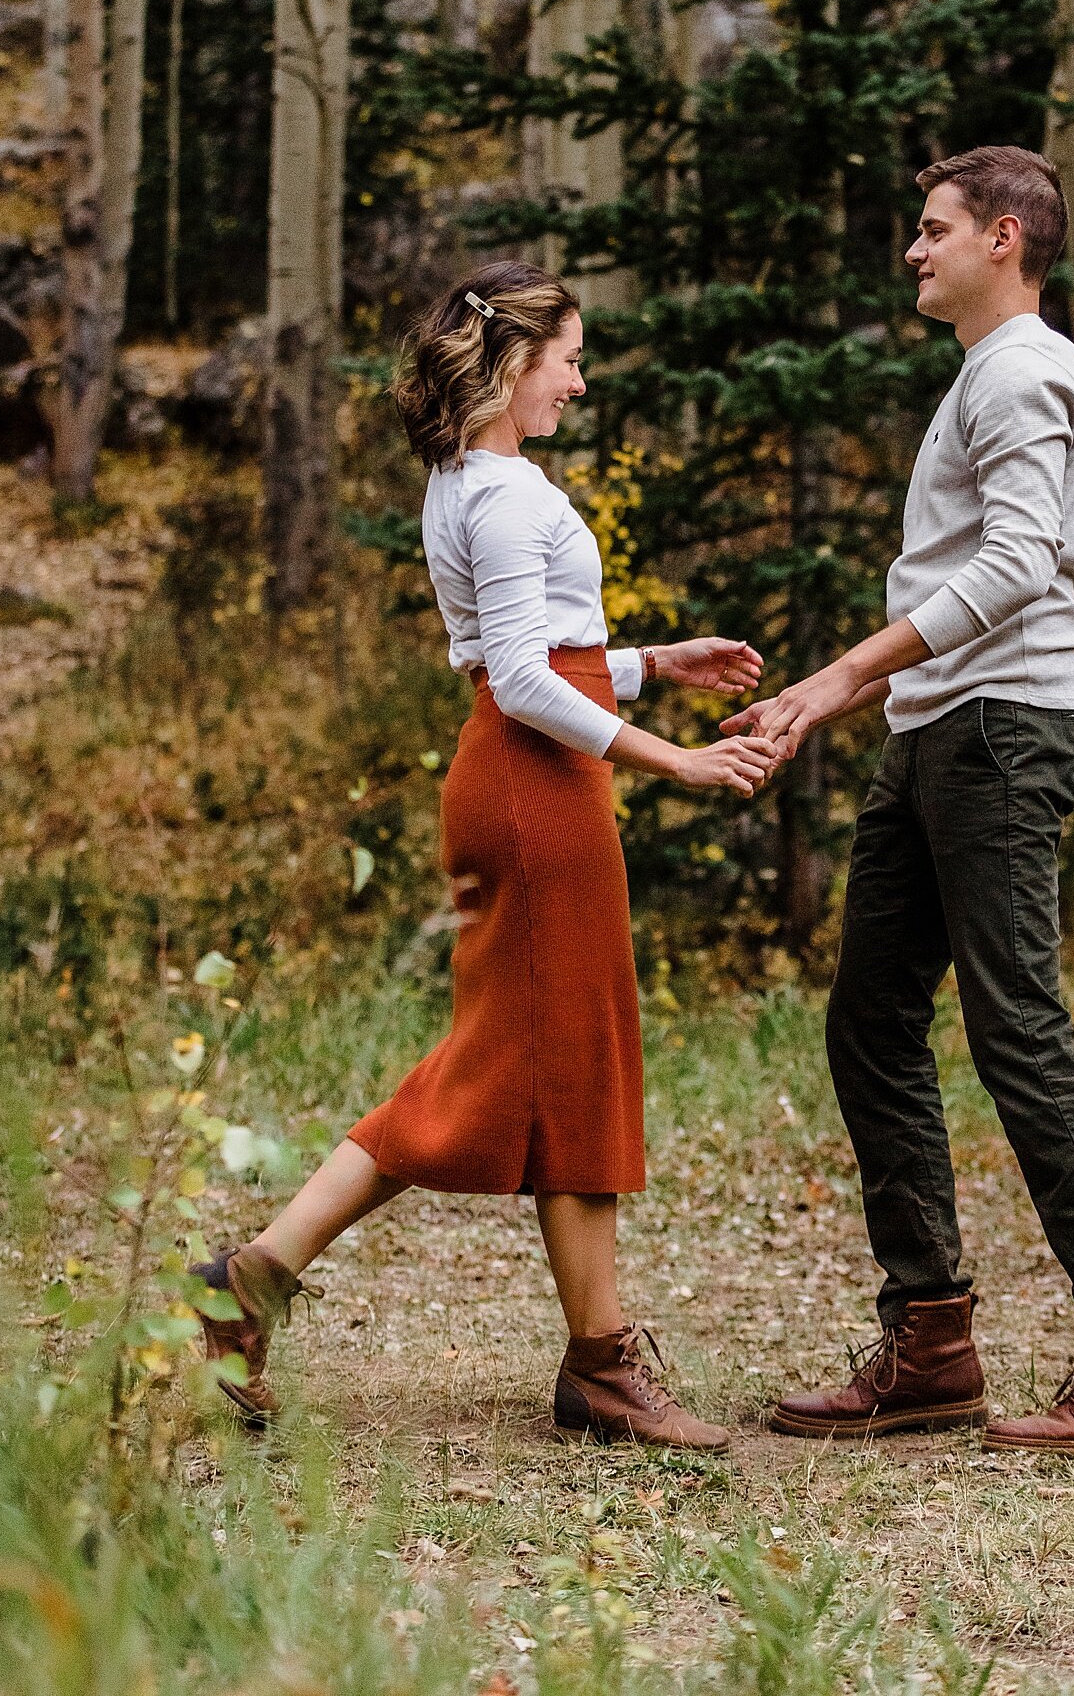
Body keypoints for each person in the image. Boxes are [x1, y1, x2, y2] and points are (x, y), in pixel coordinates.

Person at [194, 261, 780, 1452]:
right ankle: (601, 1364)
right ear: (513, 363)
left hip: (530, 778)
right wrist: (673, 758)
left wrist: (656, 660)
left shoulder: (479, 479)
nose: (580, 375)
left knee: (529, 1059)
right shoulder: (505, 495)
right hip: (532, 790)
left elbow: (540, 654)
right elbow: (518, 678)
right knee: (566, 1059)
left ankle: (256, 1283)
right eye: (568, 354)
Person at [725, 147, 1074, 1458]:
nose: (911, 249)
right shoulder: (985, 373)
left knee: (1018, 1027)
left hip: (1005, 726)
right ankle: (930, 1340)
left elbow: (1017, 564)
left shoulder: (1029, 369)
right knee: (873, 1014)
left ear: (1005, 236)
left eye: (933, 230)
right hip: (942, 730)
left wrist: (833, 680)